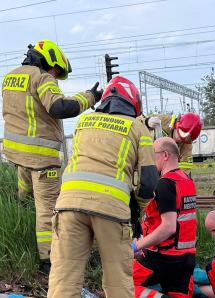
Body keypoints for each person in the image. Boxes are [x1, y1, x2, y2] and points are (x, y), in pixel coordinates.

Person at [47, 76, 159, 297]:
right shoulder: (137, 128)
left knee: (64, 278)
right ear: (133, 103)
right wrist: (138, 211)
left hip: (68, 206)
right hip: (111, 211)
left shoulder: (83, 123)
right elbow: (148, 181)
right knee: (118, 280)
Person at [2, 39, 102, 271]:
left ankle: (19, 226)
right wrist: (89, 97)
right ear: (49, 60)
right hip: (41, 158)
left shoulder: (11, 77)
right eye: (56, 71)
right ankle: (48, 260)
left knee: (25, 197)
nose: (55, 76)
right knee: (47, 210)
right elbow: (59, 107)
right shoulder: (42, 78)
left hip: (18, 154)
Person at [133, 137, 198, 298]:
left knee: (120, 283)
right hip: (186, 258)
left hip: (162, 256)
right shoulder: (187, 180)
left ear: (165, 155)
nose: (150, 160)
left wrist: (136, 246)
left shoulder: (164, 183)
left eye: (153, 154)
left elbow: (168, 227)